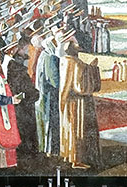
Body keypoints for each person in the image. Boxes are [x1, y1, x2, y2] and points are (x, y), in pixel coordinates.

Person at [59, 41, 101, 169]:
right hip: (78, 102)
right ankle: (76, 160)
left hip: (69, 99)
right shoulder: (76, 62)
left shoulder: (64, 61)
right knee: (77, 129)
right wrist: (93, 67)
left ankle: (68, 155)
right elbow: (79, 86)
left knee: (70, 127)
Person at [6, 38, 40, 155]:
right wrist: (33, 94)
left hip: (20, 104)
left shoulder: (13, 68)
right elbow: (24, 89)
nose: (26, 51)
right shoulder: (17, 71)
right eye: (24, 49)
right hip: (23, 106)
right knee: (26, 129)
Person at [35, 35, 61, 156]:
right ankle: (51, 149)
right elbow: (54, 80)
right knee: (51, 121)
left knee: (46, 121)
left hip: (44, 93)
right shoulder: (50, 57)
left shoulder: (43, 55)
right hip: (50, 95)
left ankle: (46, 148)